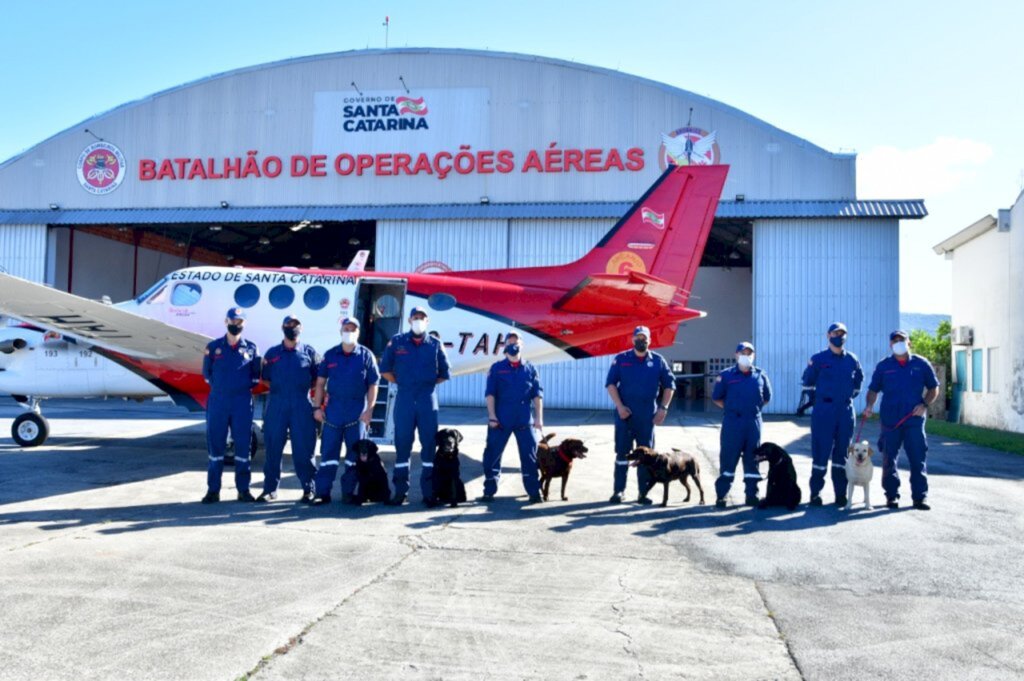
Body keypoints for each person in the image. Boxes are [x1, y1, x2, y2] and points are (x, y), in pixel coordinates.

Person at [379, 306, 451, 506]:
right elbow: (385, 369)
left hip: (427, 400)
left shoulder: (435, 344)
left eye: (422, 317)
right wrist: (403, 382)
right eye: (415, 317)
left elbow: (444, 373)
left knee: (428, 446)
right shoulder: (397, 341)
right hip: (405, 399)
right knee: (402, 445)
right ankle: (400, 492)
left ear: (427, 321)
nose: (419, 320)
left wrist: (425, 385)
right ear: (410, 320)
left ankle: (429, 493)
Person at [862, 330, 939, 510]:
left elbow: (934, 388)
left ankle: (920, 497)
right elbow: (873, 390)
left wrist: (924, 405)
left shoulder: (921, 364)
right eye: (895, 340)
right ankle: (891, 496)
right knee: (889, 459)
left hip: (914, 419)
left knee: (917, 458)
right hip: (890, 420)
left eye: (902, 340)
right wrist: (869, 406)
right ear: (890, 345)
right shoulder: (884, 366)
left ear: (908, 342)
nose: (898, 343)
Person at [311, 317, 380, 504]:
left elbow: (373, 385)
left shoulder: (366, 356)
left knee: (354, 456)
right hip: (333, 411)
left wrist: (370, 410)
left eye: (353, 329)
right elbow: (320, 384)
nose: (349, 332)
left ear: (358, 332)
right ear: (341, 331)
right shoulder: (330, 355)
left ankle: (349, 492)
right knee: (328, 454)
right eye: (346, 328)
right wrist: (317, 408)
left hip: (357, 412)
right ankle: (322, 493)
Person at [605, 326, 676, 504]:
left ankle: (643, 493)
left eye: (644, 338)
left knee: (646, 457)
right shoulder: (621, 359)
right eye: (638, 337)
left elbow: (669, 385)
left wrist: (663, 408)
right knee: (622, 454)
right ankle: (618, 491)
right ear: (632, 339)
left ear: (650, 340)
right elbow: (611, 384)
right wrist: (620, 406)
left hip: (647, 417)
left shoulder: (658, 361)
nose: (641, 340)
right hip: (625, 416)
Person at [201, 307, 260, 503]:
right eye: (233, 321)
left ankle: (243, 490)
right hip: (218, 401)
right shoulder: (213, 347)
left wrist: (239, 389)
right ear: (226, 321)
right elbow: (207, 374)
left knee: (243, 447)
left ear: (244, 324)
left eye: (239, 322)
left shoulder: (251, 348)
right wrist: (223, 389)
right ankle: (213, 491)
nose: (236, 325)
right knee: (215, 446)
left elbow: (255, 376)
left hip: (242, 402)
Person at [257, 315, 320, 503]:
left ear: (301, 328)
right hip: (277, 404)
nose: (292, 328)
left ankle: (309, 489)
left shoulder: (309, 352)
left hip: (301, 404)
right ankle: (269, 490)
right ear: (282, 327)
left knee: (304, 449)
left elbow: (318, 380)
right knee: (273, 448)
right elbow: (265, 378)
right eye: (288, 325)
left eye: (295, 325)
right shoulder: (272, 353)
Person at [802, 322, 864, 507]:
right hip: (824, 411)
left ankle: (840, 494)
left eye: (842, 333)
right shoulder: (818, 359)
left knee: (842, 454)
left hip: (845, 411)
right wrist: (821, 400)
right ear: (828, 335)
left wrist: (846, 397)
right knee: (821, 453)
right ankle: (815, 494)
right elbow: (808, 383)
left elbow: (858, 382)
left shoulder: (852, 359)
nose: (839, 336)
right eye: (836, 333)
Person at [479, 330, 544, 503]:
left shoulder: (530, 368)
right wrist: (492, 416)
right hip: (501, 420)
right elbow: (490, 394)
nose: (513, 345)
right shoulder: (497, 368)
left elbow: (537, 395)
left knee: (530, 456)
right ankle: (489, 490)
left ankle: (534, 491)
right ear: (505, 345)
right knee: (492, 455)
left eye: (516, 342)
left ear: (522, 345)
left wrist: (539, 418)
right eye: (510, 342)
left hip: (524, 419)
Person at [712, 341, 771, 508]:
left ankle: (752, 494)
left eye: (749, 353)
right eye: (743, 353)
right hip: (733, 422)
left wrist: (751, 410)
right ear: (736, 355)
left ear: (754, 356)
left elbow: (766, 398)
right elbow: (717, 397)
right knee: (728, 459)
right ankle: (722, 495)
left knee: (753, 459)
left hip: (753, 423)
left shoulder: (760, 375)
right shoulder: (726, 375)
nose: (746, 356)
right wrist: (732, 409)